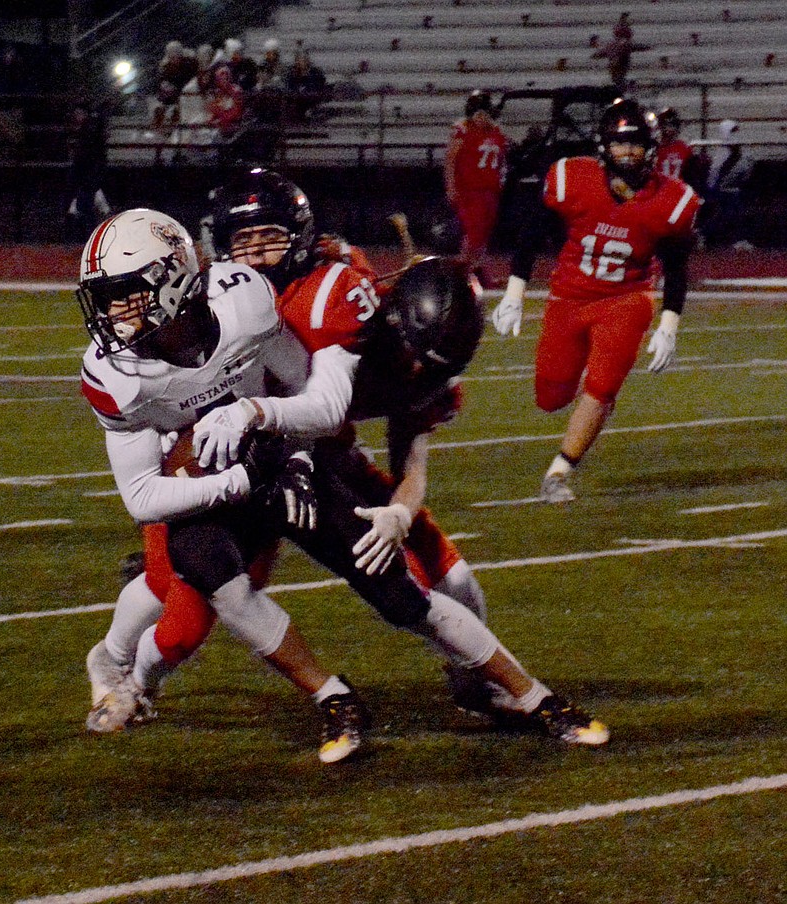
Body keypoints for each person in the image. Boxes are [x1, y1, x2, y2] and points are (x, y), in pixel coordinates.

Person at [95, 170, 610, 749]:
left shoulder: (340, 307)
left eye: (271, 237)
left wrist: (395, 511)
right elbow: (148, 473)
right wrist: (219, 466)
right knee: (185, 604)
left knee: (429, 586)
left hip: (314, 460)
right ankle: (125, 677)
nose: (259, 255)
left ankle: (503, 688)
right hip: (223, 466)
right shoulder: (213, 305)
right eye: (248, 240)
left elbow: (332, 409)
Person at [77, 208, 368, 764]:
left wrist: (295, 456)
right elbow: (140, 496)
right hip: (192, 479)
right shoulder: (115, 372)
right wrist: (235, 480)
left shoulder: (242, 304)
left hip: (270, 455)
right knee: (181, 619)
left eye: (124, 293)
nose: (110, 313)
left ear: (171, 280)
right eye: (104, 296)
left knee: (194, 598)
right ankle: (116, 664)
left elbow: (299, 383)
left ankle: (127, 671)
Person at [492, 98, 701, 503]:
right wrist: (515, 291)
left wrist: (669, 324)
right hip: (569, 297)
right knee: (550, 398)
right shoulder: (574, 179)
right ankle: (572, 425)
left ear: (651, 148)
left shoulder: (671, 200)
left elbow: (676, 268)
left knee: (603, 385)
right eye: (620, 143)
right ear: (603, 146)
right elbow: (532, 233)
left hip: (626, 298)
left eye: (637, 143)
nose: (628, 151)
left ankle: (558, 472)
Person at [443, 90, 510, 288]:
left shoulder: (496, 132)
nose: (481, 118)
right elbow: (450, 160)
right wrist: (451, 186)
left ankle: (477, 273)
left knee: (483, 235)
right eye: (478, 114)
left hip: (490, 190)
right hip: (470, 190)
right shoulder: (463, 129)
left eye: (485, 113)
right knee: (473, 234)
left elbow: (501, 161)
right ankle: (459, 274)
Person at [701, 118, 754, 249]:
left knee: (735, 214)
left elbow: (745, 172)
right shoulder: (721, 155)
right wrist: (713, 192)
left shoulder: (742, 153)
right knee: (726, 215)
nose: (736, 135)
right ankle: (703, 234)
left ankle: (739, 239)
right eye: (732, 131)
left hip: (734, 189)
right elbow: (715, 175)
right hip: (721, 190)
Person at [65, 102, 112, 241]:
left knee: (86, 206)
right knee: (86, 205)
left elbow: (87, 156)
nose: (77, 117)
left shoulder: (89, 131)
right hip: (87, 173)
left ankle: (93, 236)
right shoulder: (86, 131)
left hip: (90, 172)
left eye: (79, 114)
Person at [591, 19, 650, 92]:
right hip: (619, 69)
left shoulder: (610, 44)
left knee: (618, 81)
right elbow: (636, 47)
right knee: (620, 83)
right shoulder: (624, 44)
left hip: (615, 70)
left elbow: (599, 54)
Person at [655, 107, 698, 185]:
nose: (669, 129)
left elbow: (691, 173)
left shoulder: (684, 148)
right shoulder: (655, 148)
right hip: (659, 190)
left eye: (672, 125)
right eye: (666, 125)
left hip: (679, 190)